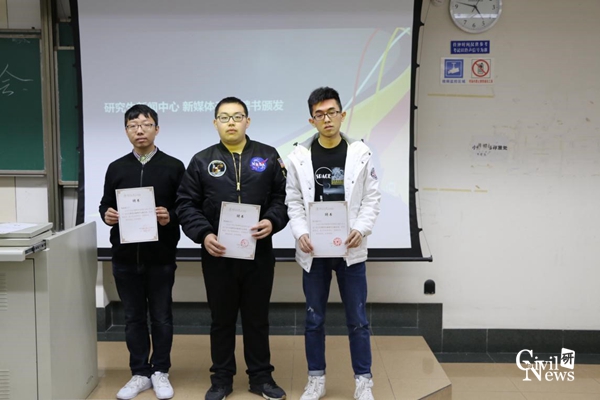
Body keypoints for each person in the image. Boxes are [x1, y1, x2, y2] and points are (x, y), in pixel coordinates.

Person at [176, 97, 288, 400]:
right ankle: (222, 379)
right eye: (224, 117)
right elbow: (186, 204)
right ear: (215, 123)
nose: (231, 123)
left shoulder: (268, 156)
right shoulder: (201, 161)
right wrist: (203, 234)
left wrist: (272, 221)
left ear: (247, 121)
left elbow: (283, 197)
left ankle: (261, 378)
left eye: (237, 117)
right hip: (218, 254)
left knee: (257, 318)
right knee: (221, 319)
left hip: (258, 253)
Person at [285, 87, 381, 400]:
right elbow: (293, 201)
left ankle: (363, 381)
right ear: (311, 120)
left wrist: (361, 229)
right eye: (320, 114)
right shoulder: (299, 157)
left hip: (350, 249)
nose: (326, 119)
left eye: (332, 112)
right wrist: (301, 232)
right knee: (314, 319)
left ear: (342, 115)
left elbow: (372, 199)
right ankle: (316, 380)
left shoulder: (360, 153)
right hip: (314, 250)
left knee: (358, 320)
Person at [99, 104, 185, 400]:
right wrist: (108, 215)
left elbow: (186, 207)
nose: (139, 130)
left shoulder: (173, 166)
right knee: (133, 318)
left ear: (156, 129)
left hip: (160, 257)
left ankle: (160, 370)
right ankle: (139, 372)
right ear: (126, 131)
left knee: (161, 316)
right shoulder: (116, 167)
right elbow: (105, 204)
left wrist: (170, 215)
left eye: (146, 124)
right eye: (133, 125)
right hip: (124, 258)